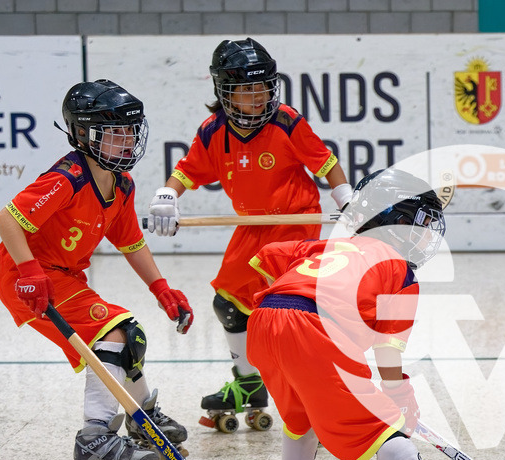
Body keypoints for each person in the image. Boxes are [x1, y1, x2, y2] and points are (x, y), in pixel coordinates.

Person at [249, 168, 481, 460]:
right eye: (420, 225)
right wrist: (399, 400)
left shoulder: (323, 247)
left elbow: (267, 257)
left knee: (301, 413)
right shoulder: (400, 272)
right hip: (315, 331)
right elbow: (388, 355)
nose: (426, 238)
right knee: (380, 427)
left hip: (266, 321)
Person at [145, 37, 353, 432]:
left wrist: (345, 197)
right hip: (252, 227)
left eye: (263, 87)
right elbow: (188, 170)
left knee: (294, 312)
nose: (258, 97)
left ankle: (324, 393)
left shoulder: (287, 121)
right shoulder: (212, 132)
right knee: (228, 303)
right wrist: (168, 195)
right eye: (247, 89)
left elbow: (325, 164)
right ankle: (250, 385)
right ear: (225, 92)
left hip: (296, 225)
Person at [0, 79, 193, 460]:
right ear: (84, 134)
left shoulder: (121, 184)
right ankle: (96, 437)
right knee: (114, 333)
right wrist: (30, 273)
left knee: (126, 336)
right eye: (114, 133)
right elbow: (8, 220)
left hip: (64, 276)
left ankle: (141, 419)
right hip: (27, 276)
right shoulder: (68, 178)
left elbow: (131, 242)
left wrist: (162, 289)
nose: (126, 142)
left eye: (130, 132)